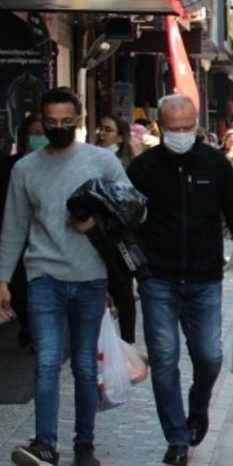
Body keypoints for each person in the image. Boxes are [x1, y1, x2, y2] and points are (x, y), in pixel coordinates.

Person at [126, 95, 233, 466]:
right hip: (158, 278)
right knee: (164, 358)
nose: (181, 134)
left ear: (196, 126)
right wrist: (133, 269)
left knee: (209, 355)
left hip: (206, 278)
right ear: (159, 127)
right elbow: (124, 222)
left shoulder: (214, 164)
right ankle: (176, 436)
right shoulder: (143, 169)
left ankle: (199, 406)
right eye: (173, 129)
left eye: (187, 128)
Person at [0, 88, 128, 466]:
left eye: (66, 122)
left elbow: (135, 205)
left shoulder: (101, 161)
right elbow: (15, 227)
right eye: (50, 123)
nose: (57, 128)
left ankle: (84, 444)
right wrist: (3, 279)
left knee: (85, 366)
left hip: (90, 278)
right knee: (47, 361)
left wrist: (96, 221)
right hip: (43, 278)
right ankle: (45, 445)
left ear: (80, 119)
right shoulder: (25, 169)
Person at [0, 113, 45, 348]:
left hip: (43, 238)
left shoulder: (53, 167)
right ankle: (28, 323)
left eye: (43, 133)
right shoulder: (7, 166)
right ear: (25, 136)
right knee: (15, 286)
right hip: (11, 235)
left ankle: (37, 329)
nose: (40, 138)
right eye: (35, 133)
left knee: (39, 286)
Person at [91, 114, 139, 342]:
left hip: (117, 236)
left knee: (122, 290)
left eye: (108, 129)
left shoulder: (127, 163)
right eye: (100, 128)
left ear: (120, 136)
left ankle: (127, 342)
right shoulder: (88, 157)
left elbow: (129, 202)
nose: (102, 133)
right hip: (91, 237)